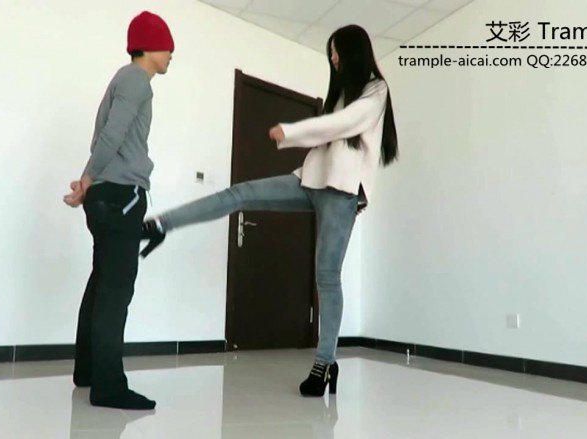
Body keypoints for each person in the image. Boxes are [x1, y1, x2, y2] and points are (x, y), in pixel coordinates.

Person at [139, 24, 398, 397]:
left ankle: (325, 363)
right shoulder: (343, 93)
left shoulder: (375, 90)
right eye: (330, 52)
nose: (333, 58)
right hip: (308, 180)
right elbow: (329, 135)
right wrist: (298, 143)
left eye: (336, 50)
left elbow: (341, 125)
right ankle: (162, 223)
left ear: (353, 51)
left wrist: (291, 132)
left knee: (327, 277)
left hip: (340, 194)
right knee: (240, 193)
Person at [62, 10, 173, 410]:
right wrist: (87, 178)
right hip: (119, 194)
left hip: (107, 196)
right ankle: (109, 387)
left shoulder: (125, 80)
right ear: (149, 46)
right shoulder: (136, 80)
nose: (171, 54)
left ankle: (88, 372)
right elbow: (112, 135)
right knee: (115, 290)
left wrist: (89, 183)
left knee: (101, 283)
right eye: (167, 46)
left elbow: (109, 137)